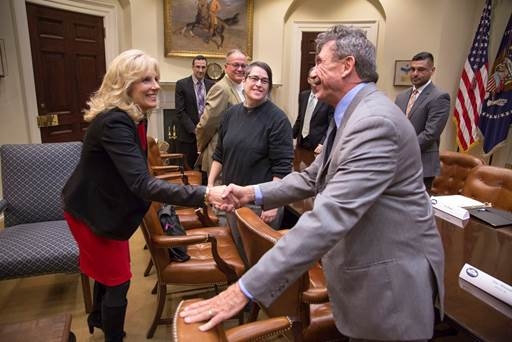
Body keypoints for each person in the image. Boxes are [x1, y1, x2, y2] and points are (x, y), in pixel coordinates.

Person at [181, 25, 445, 342]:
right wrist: (251, 192)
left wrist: (244, 289)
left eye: (320, 62)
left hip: (390, 289)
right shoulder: (351, 112)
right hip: (364, 279)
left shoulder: (375, 122)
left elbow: (328, 218)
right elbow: (312, 176)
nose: (313, 72)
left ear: (347, 66)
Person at [61, 49, 226, 342]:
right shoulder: (114, 121)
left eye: (156, 78)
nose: (154, 86)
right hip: (93, 213)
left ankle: (99, 317)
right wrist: (205, 193)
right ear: (125, 85)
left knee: (111, 275)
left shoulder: (134, 116)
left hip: (108, 210)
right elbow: (142, 183)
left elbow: (138, 176)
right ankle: (115, 337)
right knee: (119, 280)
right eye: (145, 80)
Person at [208, 61, 293, 260]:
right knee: (238, 256)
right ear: (244, 81)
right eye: (254, 78)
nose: (259, 84)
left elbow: (282, 168)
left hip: (260, 205)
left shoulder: (278, 120)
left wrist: (272, 203)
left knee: (257, 264)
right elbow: (220, 154)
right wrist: (210, 186)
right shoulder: (231, 114)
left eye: (265, 81)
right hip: (231, 199)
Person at [395, 52, 450, 192]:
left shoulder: (439, 97)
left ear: (432, 71)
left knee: (416, 212)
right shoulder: (401, 97)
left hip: (422, 165)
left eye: (421, 70)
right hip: (398, 164)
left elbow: (430, 133)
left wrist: (403, 149)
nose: (415, 73)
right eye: (412, 69)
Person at [196, 49, 247, 177]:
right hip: (221, 157)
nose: (240, 69)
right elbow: (207, 124)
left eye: (243, 65)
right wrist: (201, 147)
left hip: (237, 156)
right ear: (226, 67)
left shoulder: (244, 87)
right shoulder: (221, 88)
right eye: (236, 65)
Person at [174, 55, 215, 169]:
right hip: (188, 137)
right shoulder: (181, 84)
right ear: (192, 67)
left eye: (203, 67)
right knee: (188, 170)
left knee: (206, 170)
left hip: (207, 137)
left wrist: (205, 130)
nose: (200, 70)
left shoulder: (212, 85)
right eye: (198, 67)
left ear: (206, 68)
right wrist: (195, 130)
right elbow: (180, 112)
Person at [293, 66, 334, 154]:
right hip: (301, 142)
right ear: (308, 80)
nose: (317, 80)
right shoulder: (303, 95)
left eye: (319, 77)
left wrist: (323, 143)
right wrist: (289, 137)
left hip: (317, 146)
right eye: (314, 77)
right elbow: (300, 119)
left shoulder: (328, 98)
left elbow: (332, 125)